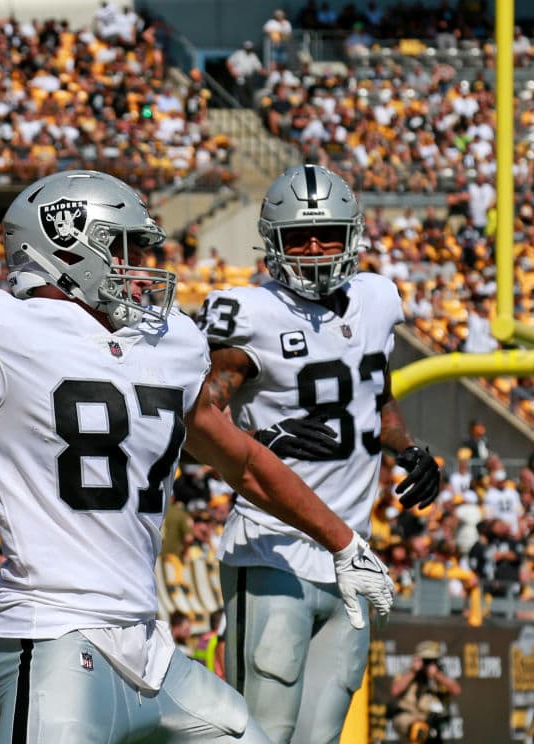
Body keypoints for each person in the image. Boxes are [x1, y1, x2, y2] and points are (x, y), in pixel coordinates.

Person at [0, 78, 395, 743]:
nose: (143, 265)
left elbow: (246, 463)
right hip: (56, 638)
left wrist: (343, 542)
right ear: (67, 246)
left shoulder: (168, 343)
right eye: (127, 248)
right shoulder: (1, 330)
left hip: (151, 649)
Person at [199, 164, 440, 743]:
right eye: (298, 236)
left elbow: (375, 396)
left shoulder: (377, 299)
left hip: (352, 553)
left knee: (321, 736)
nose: (312, 248)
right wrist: (261, 443)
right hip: (272, 548)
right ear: (272, 241)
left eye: (326, 235)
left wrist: (408, 449)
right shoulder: (248, 313)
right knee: (262, 732)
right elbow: (198, 419)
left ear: (351, 236)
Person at [389, 641, 461, 743]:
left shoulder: (439, 675)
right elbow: (395, 691)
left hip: (431, 719)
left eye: (432, 661)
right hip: (409, 718)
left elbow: (456, 690)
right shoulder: (408, 673)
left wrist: (437, 675)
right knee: (418, 729)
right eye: (425, 661)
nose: (427, 664)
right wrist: (413, 671)